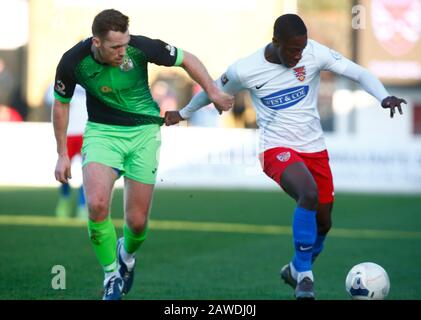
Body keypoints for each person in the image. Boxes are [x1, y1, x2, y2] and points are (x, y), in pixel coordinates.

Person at [164, 14, 406, 300]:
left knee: (324, 222)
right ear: (275, 42)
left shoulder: (314, 53)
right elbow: (212, 91)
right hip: (275, 148)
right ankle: (304, 276)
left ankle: (294, 268)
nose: (298, 55)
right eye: (292, 49)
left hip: (314, 147)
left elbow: (359, 73)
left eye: (301, 49)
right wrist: (183, 113)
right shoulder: (245, 69)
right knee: (308, 194)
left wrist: (383, 97)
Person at [52, 9, 233, 300]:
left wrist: (212, 91)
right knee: (97, 205)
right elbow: (61, 104)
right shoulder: (73, 61)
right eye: (115, 47)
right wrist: (62, 153)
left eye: (125, 44)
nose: (123, 52)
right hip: (102, 133)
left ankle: (127, 254)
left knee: (136, 223)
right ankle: (112, 275)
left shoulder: (140, 47)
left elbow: (187, 58)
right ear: (96, 42)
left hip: (144, 136)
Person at [46, 84, 88, 219]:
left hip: (87, 133)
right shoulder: (63, 75)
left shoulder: (91, 75)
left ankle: (83, 205)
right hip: (67, 133)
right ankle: (65, 198)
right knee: (62, 171)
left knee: (89, 172)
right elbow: (49, 97)